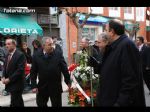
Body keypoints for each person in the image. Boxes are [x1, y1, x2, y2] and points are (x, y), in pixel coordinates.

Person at [96, 19, 146, 106]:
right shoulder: (115, 45)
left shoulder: (126, 45)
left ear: (112, 32)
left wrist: (120, 103)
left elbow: (131, 79)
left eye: (106, 30)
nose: (105, 32)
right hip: (110, 98)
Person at [30, 37, 71, 107]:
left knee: (56, 104)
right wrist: (34, 85)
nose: (52, 46)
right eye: (49, 45)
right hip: (42, 86)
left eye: (52, 44)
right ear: (43, 46)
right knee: (40, 104)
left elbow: (64, 69)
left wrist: (68, 82)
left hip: (55, 86)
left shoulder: (58, 54)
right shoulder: (36, 55)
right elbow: (33, 71)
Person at [1, 38, 26, 107]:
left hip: (17, 83)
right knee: (18, 101)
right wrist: (3, 76)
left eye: (9, 44)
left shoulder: (20, 55)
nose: (6, 46)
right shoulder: (8, 54)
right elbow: (5, 67)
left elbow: (20, 70)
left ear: (14, 45)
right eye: (6, 44)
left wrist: (9, 79)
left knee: (14, 102)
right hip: (10, 83)